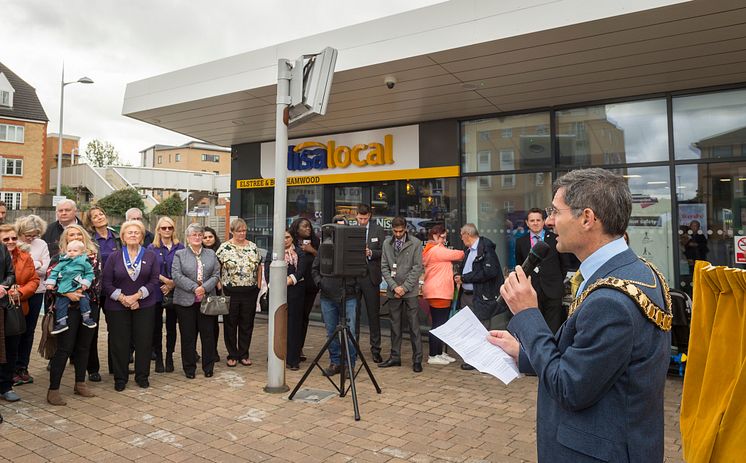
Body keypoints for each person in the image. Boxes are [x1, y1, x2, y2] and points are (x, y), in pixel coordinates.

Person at [489, 168, 672, 462]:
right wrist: (523, 354)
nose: (548, 221)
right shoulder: (639, 272)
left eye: (555, 212)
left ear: (587, 218)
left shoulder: (611, 301)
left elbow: (570, 387)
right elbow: (595, 364)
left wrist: (527, 314)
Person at [101, 220, 161, 391]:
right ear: (123, 237)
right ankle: (120, 378)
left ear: (142, 236)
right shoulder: (114, 256)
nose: (133, 235)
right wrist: (123, 298)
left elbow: (154, 280)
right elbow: (106, 282)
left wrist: (136, 297)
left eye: (137, 232)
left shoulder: (150, 256)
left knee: (144, 341)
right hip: (117, 307)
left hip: (144, 305)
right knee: (120, 342)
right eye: (130, 232)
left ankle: (142, 376)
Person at [46, 225, 101, 406]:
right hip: (66, 308)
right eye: (71, 234)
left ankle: (80, 383)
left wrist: (79, 291)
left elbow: (96, 280)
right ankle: (53, 389)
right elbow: (51, 280)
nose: (75, 236)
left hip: (88, 306)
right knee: (64, 348)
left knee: (84, 347)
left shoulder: (93, 258)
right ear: (66, 239)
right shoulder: (58, 258)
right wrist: (67, 293)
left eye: (79, 234)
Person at [311, 221, 359, 377]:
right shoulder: (324, 248)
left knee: (350, 332)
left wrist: (353, 285)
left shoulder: (351, 248)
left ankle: (349, 365)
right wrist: (321, 283)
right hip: (328, 296)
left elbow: (361, 268)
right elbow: (315, 269)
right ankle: (335, 362)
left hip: (348, 296)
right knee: (331, 331)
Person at [172, 223, 221, 378]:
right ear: (188, 238)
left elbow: (216, 274)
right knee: (188, 336)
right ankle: (189, 368)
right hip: (186, 302)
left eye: (200, 235)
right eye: (194, 235)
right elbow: (176, 276)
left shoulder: (211, 254)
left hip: (207, 301)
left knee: (208, 336)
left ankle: (208, 367)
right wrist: (194, 287)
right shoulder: (180, 254)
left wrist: (204, 288)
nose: (198, 237)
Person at [455, 223, 504, 370]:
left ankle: (481, 360)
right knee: (469, 328)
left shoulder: (485, 249)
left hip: (480, 296)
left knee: (481, 328)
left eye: (461, 235)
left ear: (467, 235)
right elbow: (466, 269)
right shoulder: (469, 250)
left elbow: (490, 272)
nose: (461, 239)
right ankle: (471, 358)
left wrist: (466, 278)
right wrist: (459, 276)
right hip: (466, 295)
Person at [379, 216, 424, 373]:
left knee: (414, 326)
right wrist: (393, 286)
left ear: (405, 229)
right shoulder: (387, 243)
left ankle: (417, 359)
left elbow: (418, 267)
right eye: (395, 231)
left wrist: (404, 288)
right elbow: (384, 266)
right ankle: (395, 357)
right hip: (393, 291)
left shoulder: (416, 244)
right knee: (394, 325)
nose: (398, 234)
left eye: (400, 231)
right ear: (392, 229)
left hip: (409, 291)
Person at [216, 219, 262, 367]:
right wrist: (219, 285)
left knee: (247, 323)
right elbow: (217, 267)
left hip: (250, 291)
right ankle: (232, 354)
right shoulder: (224, 248)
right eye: (238, 231)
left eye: (244, 230)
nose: (242, 233)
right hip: (230, 291)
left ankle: (244, 353)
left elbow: (259, 266)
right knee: (230, 323)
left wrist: (259, 284)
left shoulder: (253, 247)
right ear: (232, 231)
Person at [515, 208, 569, 333]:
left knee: (553, 327)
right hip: (532, 291)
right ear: (527, 223)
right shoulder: (520, 242)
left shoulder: (555, 238)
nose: (535, 223)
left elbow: (564, 264)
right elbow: (521, 267)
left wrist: (556, 281)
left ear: (543, 221)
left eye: (538, 220)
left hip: (553, 290)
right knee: (535, 325)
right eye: (532, 220)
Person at [13, 215, 50, 386]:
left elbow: (46, 268)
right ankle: (10, 368)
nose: (32, 238)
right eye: (28, 234)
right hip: (15, 293)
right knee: (14, 331)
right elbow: (13, 269)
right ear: (20, 231)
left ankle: (22, 368)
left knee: (28, 332)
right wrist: (36, 264)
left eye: (35, 234)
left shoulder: (41, 244)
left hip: (37, 292)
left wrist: (32, 266)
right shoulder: (12, 241)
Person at [83, 206, 119, 382]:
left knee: (117, 330)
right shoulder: (88, 240)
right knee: (93, 330)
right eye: (94, 216)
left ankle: (116, 366)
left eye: (101, 214)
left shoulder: (117, 237)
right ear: (90, 222)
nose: (99, 218)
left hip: (114, 291)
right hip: (95, 292)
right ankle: (93, 369)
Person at [422, 224, 463, 365]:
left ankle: (439, 352)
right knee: (438, 325)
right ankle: (433, 355)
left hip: (438, 292)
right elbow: (458, 254)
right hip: (439, 292)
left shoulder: (432, 249)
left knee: (440, 324)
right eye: (442, 237)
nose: (444, 240)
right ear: (435, 236)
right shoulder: (436, 250)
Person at [266, 230, 307, 370]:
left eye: (287, 237)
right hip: (277, 292)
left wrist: (290, 280)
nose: (285, 240)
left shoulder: (300, 253)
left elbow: (301, 270)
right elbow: (267, 270)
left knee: (294, 326)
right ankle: (274, 354)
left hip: (295, 292)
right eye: (282, 237)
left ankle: (293, 359)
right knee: (277, 324)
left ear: (292, 238)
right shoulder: (272, 253)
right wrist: (277, 283)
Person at [148, 216, 184, 373]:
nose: (167, 230)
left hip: (175, 292)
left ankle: (170, 356)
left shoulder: (180, 247)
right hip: (156, 291)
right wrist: (165, 281)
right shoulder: (151, 248)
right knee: (156, 327)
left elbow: (184, 269)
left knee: (171, 327)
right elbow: (150, 269)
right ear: (158, 230)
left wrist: (172, 284)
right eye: (164, 228)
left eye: (170, 228)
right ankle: (159, 357)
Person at [354, 204, 386, 364]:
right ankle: (354, 348)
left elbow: (384, 252)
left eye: (365, 219)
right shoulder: (350, 229)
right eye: (360, 218)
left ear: (370, 216)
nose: (362, 221)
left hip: (371, 277)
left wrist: (371, 253)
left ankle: (376, 349)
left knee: (373, 315)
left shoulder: (378, 230)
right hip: (354, 277)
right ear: (356, 216)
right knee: (354, 314)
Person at [46, 240, 97, 333]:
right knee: (60, 304)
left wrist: (85, 283)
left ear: (81, 252)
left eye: (75, 251)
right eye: (69, 251)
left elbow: (89, 273)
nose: (71, 253)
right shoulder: (62, 261)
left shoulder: (84, 261)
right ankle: (62, 323)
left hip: (78, 286)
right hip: (64, 288)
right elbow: (54, 272)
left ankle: (86, 318)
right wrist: (51, 282)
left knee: (84, 300)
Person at [289, 217, 319, 361]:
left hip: (311, 285)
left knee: (304, 317)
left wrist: (312, 251)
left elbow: (323, 260)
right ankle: (290, 348)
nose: (308, 229)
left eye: (309, 227)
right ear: (297, 229)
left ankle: (299, 347)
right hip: (296, 286)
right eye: (305, 227)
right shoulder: (291, 243)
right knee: (294, 317)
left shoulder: (316, 242)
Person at [0, 225, 23, 403]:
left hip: (4, 306)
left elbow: (10, 273)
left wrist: (4, 285)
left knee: (9, 347)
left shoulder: (1, 249)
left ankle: (6, 386)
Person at [202, 226, 221, 361]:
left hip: (215, 290)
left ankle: (213, 351)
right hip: (198, 291)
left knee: (213, 323)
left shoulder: (220, 251)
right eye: (205, 237)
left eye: (210, 236)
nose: (208, 239)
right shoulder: (196, 252)